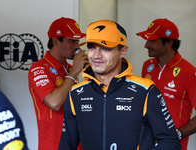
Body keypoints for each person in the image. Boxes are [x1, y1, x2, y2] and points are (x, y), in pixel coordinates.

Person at [59, 19, 181, 150]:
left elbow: (170, 143)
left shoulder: (145, 90)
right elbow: (66, 146)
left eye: (105, 48)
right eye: (91, 47)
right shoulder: (76, 93)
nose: (96, 55)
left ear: (122, 51)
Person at [28, 17, 88, 150]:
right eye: (72, 41)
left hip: (77, 143)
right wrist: (74, 73)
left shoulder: (70, 69)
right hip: (53, 144)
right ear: (55, 41)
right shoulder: (38, 68)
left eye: (77, 41)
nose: (77, 46)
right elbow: (54, 103)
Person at [137, 18, 196, 150]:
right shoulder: (147, 66)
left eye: (152, 41)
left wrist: (177, 134)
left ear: (169, 42)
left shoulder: (189, 72)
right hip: (146, 142)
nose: (146, 45)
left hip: (173, 146)